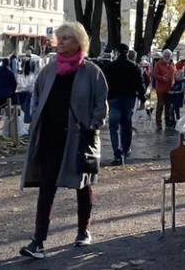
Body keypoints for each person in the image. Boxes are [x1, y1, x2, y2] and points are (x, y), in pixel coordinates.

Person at [19, 21, 109, 259]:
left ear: (79, 42)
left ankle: (83, 230)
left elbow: (101, 104)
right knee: (46, 187)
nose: (61, 42)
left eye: (67, 38)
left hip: (79, 138)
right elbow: (37, 96)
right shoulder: (49, 70)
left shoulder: (91, 72)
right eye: (60, 38)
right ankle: (38, 241)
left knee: (82, 185)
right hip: (50, 136)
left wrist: (91, 125)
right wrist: (36, 119)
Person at [104, 43, 145, 165]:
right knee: (126, 124)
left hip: (114, 98)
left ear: (117, 52)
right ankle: (126, 149)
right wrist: (143, 98)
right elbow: (140, 83)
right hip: (129, 98)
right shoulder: (134, 66)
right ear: (127, 52)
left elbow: (105, 83)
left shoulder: (110, 66)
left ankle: (117, 153)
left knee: (114, 126)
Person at [152, 50, 176, 131]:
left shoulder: (172, 63)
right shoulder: (159, 63)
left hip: (170, 88)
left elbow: (174, 73)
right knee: (160, 105)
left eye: (168, 55)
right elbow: (154, 75)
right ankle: (159, 123)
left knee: (168, 106)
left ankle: (168, 122)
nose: (167, 57)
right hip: (161, 88)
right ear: (163, 56)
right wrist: (162, 78)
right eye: (165, 55)